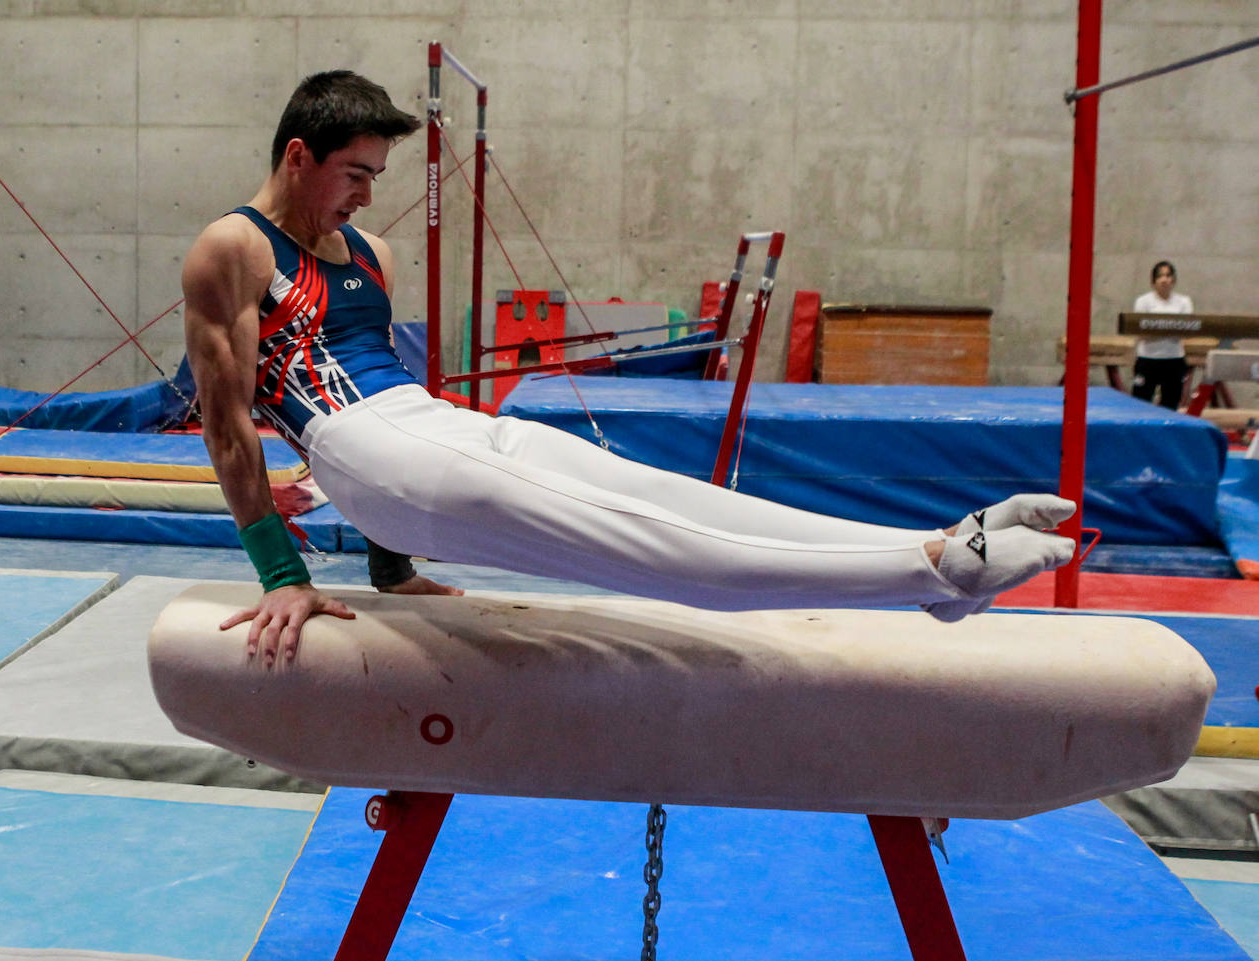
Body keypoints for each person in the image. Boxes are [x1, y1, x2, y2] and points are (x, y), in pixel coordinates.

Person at [182, 70, 1076, 666]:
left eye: (379, 173)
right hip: (363, 448)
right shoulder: (234, 247)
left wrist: (390, 573)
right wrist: (283, 576)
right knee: (650, 549)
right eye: (354, 172)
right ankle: (937, 570)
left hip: (428, 428)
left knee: (659, 495)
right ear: (298, 156)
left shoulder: (365, 250)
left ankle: (938, 555)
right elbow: (228, 429)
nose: (371, 194)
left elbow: (390, 414)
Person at [1131, 260, 1195, 409]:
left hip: (1174, 359)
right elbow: (1140, 334)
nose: (1165, 279)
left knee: (1171, 404)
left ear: (1173, 280)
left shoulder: (1184, 302)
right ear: (1153, 281)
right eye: (1160, 276)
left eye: (1168, 275)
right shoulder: (1143, 301)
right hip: (1148, 360)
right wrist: (1171, 330)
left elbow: (1187, 332)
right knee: (1141, 403)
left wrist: (1157, 331)